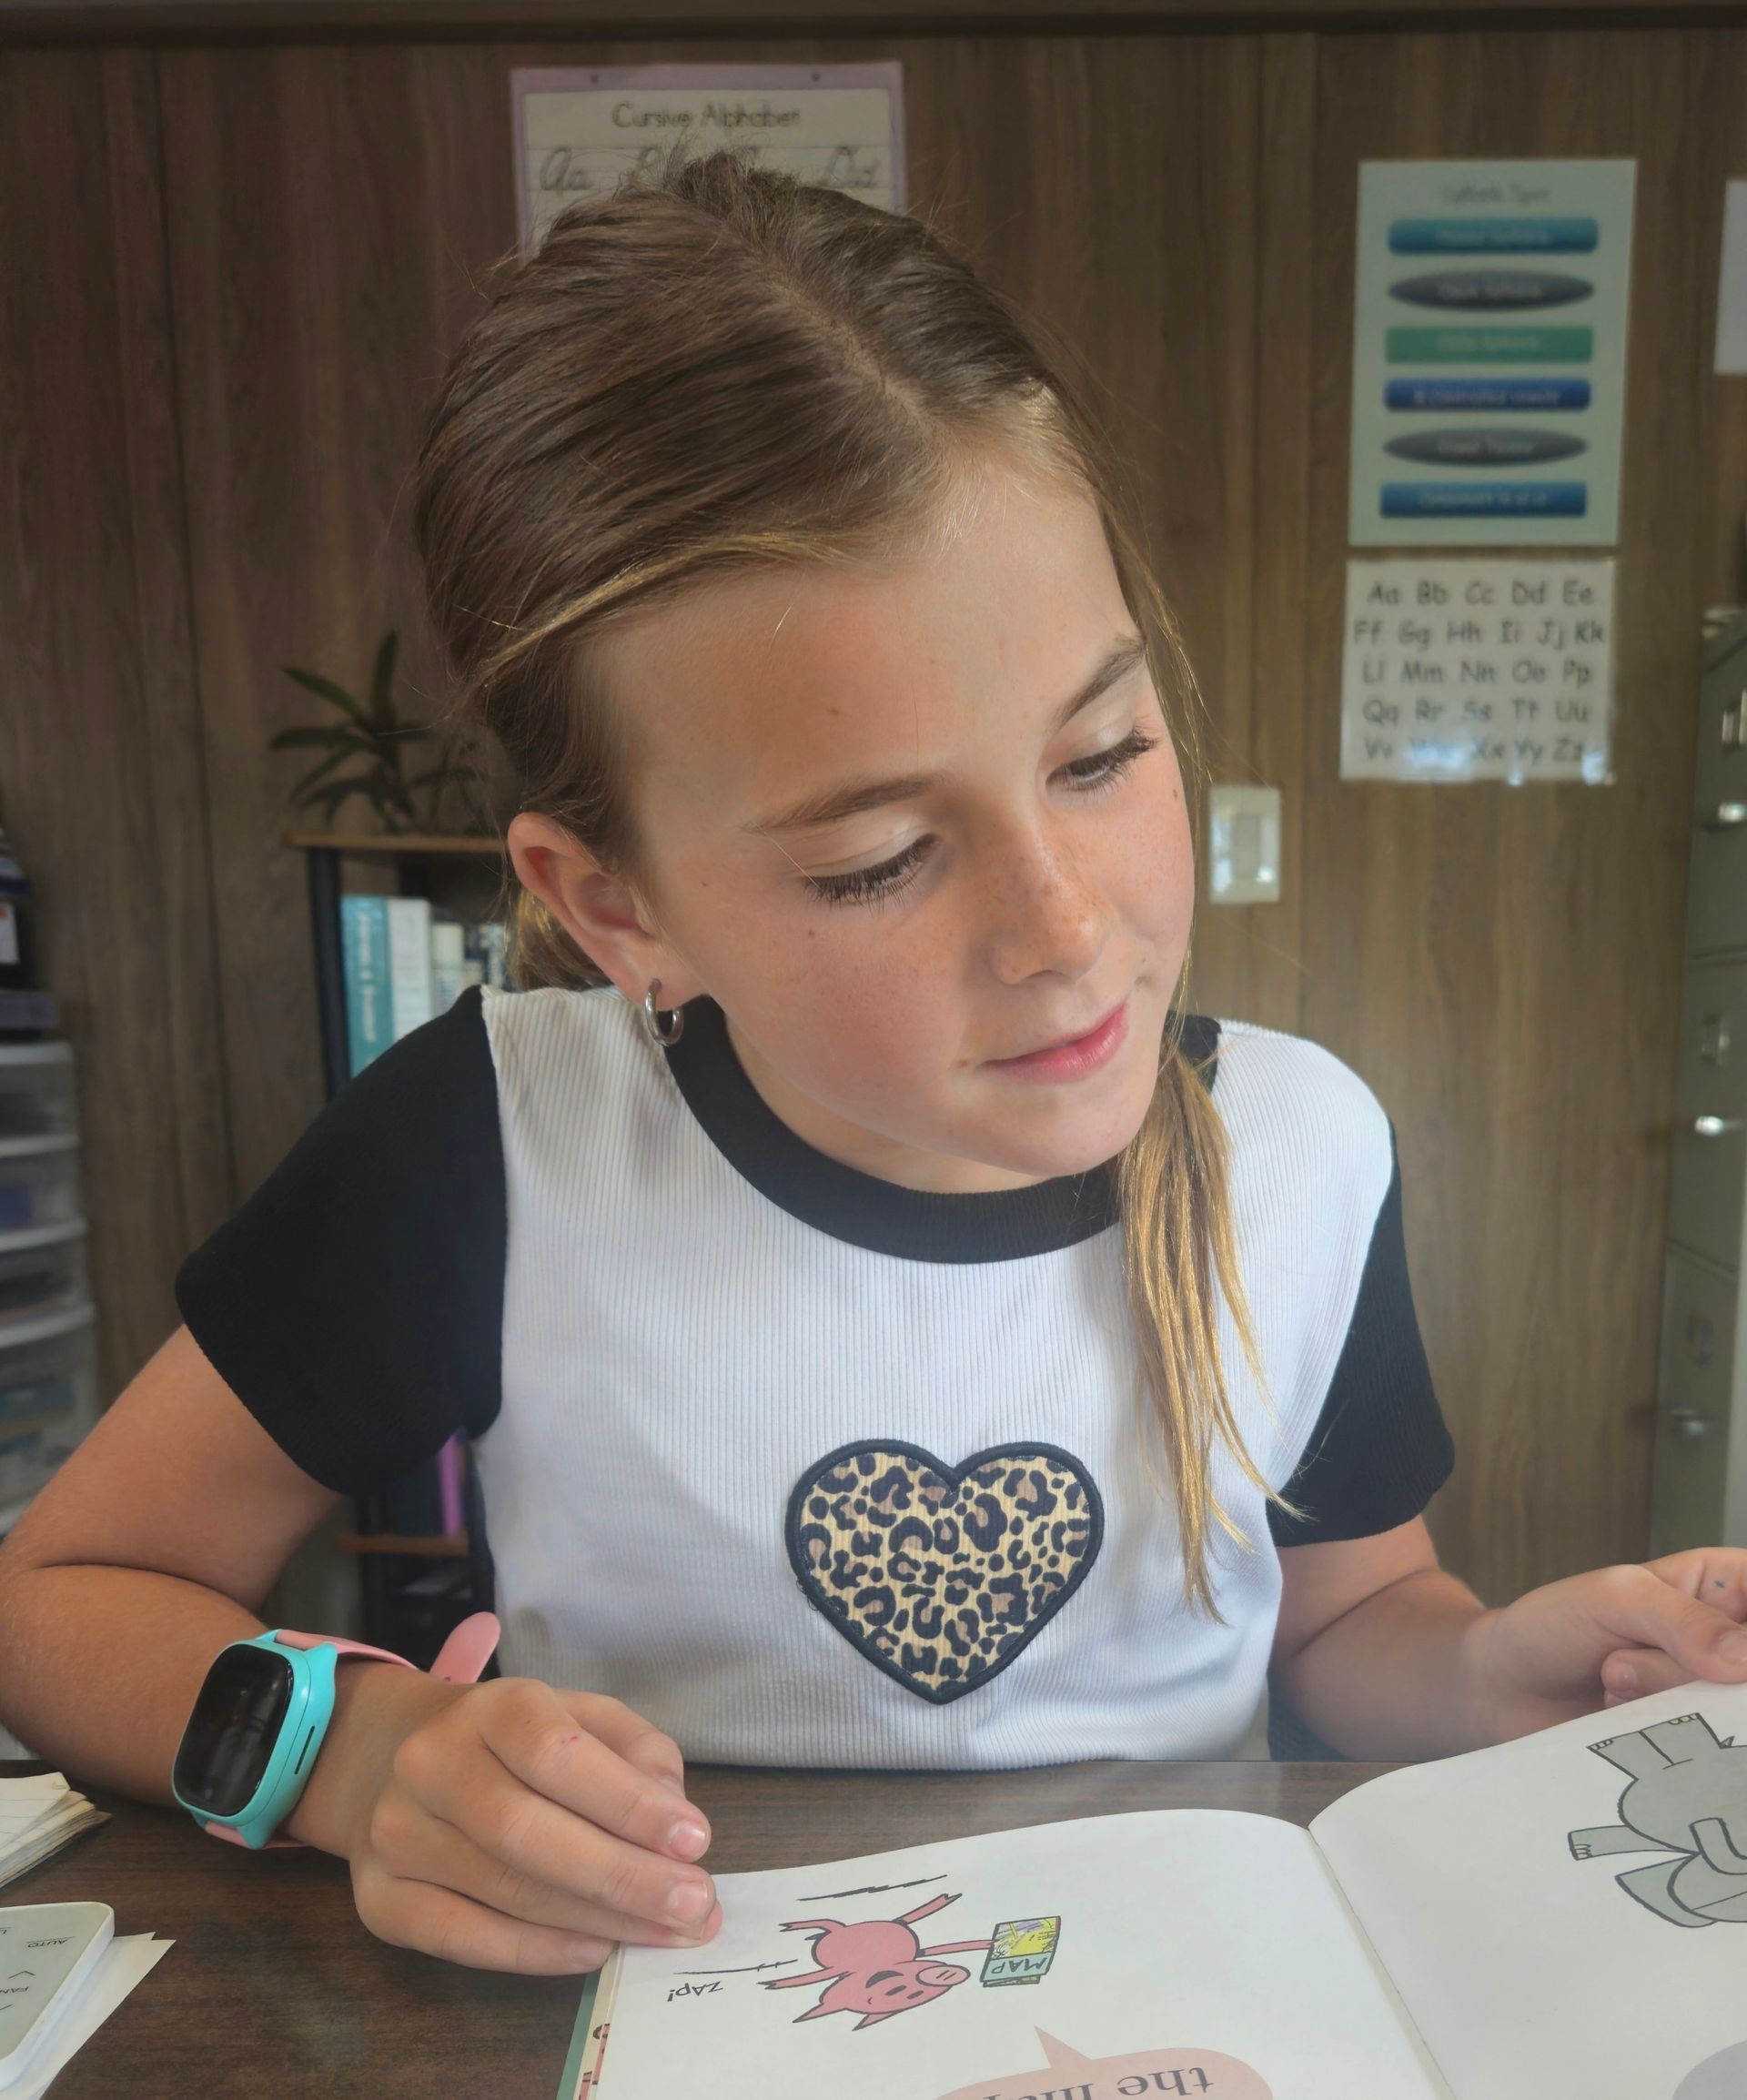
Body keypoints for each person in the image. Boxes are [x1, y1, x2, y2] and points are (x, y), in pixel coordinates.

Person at [2, 146, 1743, 1980]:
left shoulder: (1300, 1146)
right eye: (877, 861)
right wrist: (355, 1754)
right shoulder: (496, 1145)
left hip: (1182, 1993)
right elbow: (54, 1598)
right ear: (615, 909)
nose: (1067, 927)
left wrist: (1484, 1669)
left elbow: (1352, 1614)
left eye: (1102, 753)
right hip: (670, 1993)